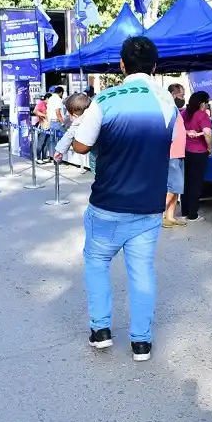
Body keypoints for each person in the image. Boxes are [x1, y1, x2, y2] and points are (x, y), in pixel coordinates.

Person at [71, 36, 178, 362]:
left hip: (106, 202)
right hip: (148, 206)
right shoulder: (167, 102)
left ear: (121, 65)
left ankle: (101, 330)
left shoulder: (104, 100)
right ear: (155, 66)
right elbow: (165, 143)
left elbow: (80, 146)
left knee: (96, 262)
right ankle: (141, 342)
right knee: (142, 271)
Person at [181, 91, 212, 222]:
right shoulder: (202, 115)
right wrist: (209, 148)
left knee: (186, 182)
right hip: (199, 153)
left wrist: (188, 132)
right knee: (196, 183)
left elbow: (179, 130)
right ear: (202, 103)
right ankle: (193, 214)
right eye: (207, 103)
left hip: (185, 152)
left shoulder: (184, 113)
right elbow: (207, 133)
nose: (207, 106)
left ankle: (184, 211)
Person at [164, 84, 187, 228]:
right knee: (173, 186)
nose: (183, 98)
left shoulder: (176, 110)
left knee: (177, 187)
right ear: (173, 94)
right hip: (172, 153)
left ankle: (170, 216)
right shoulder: (169, 109)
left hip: (179, 153)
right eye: (181, 95)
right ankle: (155, 214)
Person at [53, 93, 91, 163]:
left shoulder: (77, 121)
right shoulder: (96, 115)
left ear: (74, 115)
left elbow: (69, 134)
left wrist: (59, 151)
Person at [48, 86, 66, 155]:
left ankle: (53, 156)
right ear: (61, 92)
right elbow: (57, 112)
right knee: (65, 137)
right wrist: (62, 122)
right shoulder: (58, 99)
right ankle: (59, 157)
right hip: (57, 122)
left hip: (51, 122)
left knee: (53, 141)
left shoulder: (50, 99)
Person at [35, 92, 52, 163]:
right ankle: (38, 158)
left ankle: (44, 157)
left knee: (46, 142)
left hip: (48, 125)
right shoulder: (41, 103)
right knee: (41, 142)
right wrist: (44, 116)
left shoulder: (49, 105)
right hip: (41, 125)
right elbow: (35, 111)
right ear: (47, 98)